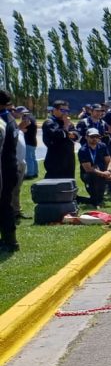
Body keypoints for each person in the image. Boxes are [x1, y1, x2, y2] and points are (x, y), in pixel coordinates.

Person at [0, 90, 19, 252]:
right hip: (10, 166)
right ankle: (8, 239)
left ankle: (10, 241)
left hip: (3, 168)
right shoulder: (10, 118)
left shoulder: (3, 120)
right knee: (5, 204)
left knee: (4, 205)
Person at [77, 128, 111, 207]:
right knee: (95, 200)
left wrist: (108, 171)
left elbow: (109, 161)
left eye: (97, 136)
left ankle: (95, 199)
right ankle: (78, 199)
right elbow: (88, 169)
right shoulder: (83, 150)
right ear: (86, 137)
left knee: (98, 199)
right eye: (92, 137)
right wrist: (104, 174)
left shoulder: (102, 146)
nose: (95, 139)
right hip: (88, 174)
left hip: (101, 172)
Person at [42, 100, 78, 179]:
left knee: (69, 181)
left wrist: (73, 134)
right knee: (54, 183)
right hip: (55, 158)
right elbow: (56, 135)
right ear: (55, 110)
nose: (65, 113)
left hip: (69, 158)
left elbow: (76, 134)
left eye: (67, 110)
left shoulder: (68, 122)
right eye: (63, 110)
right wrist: (65, 126)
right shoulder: (49, 122)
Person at [20, 107, 38, 180]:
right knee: (33, 157)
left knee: (28, 158)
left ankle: (30, 173)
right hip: (33, 140)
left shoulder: (26, 118)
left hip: (28, 141)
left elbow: (24, 128)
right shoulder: (32, 117)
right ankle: (35, 172)